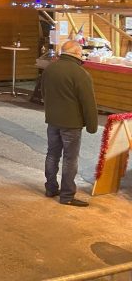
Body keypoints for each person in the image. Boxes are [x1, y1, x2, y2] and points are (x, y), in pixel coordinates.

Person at [41, 40, 98, 207]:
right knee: (70, 159)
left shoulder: (50, 69)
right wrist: (92, 125)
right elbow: (88, 103)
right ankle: (67, 196)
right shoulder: (80, 73)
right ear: (77, 53)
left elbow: (44, 93)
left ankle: (50, 188)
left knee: (52, 154)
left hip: (52, 120)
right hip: (71, 123)